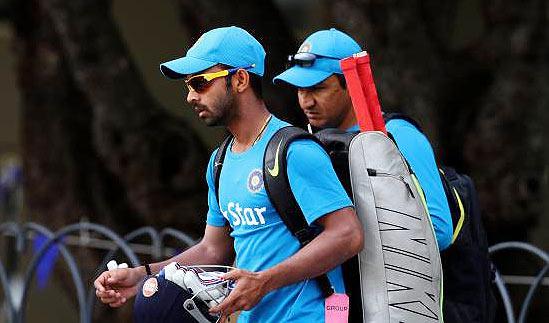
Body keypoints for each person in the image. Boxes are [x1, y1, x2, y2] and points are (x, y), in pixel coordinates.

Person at [94, 26, 363, 323]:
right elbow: (212, 250)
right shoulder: (219, 161)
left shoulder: (293, 151)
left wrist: (265, 281)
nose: (190, 97)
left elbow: (347, 234)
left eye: (199, 83)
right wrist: (141, 274)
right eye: (187, 86)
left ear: (240, 79)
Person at [273, 28, 453, 251]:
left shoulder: (399, 134)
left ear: (351, 84)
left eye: (317, 89)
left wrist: (346, 237)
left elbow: (440, 230)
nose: (306, 102)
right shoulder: (311, 141)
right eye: (300, 90)